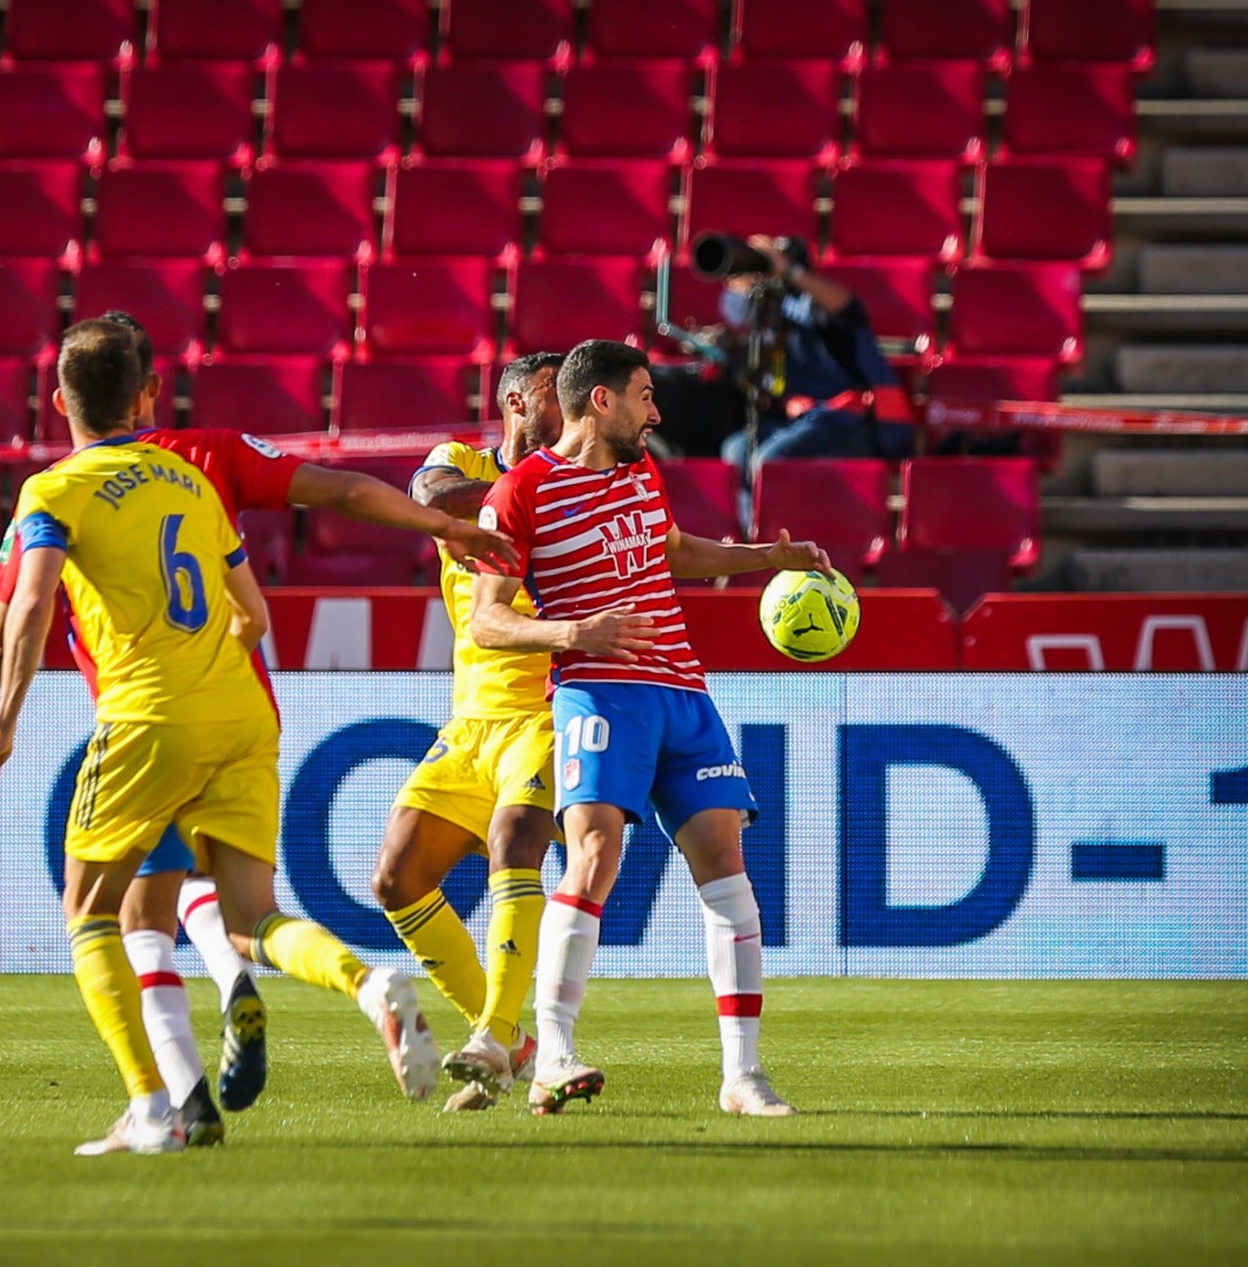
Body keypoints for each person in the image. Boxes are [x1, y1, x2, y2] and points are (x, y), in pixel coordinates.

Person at [0, 318, 520, 1152]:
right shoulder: (196, 473)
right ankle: (362, 988)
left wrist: (4, 721)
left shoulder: (52, 491)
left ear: (57, 402)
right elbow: (265, 595)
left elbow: (22, 611)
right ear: (150, 394)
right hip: (242, 715)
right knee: (246, 916)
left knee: (96, 913)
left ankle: (154, 1106)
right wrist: (442, 527)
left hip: (144, 719)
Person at [470, 338, 830, 1117]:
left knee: (727, 867)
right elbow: (487, 624)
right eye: (642, 394)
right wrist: (575, 635)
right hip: (600, 695)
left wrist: (768, 554)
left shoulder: (641, 472)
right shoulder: (519, 494)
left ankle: (742, 1077)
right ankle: (553, 1051)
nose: (656, 410)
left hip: (683, 695)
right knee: (595, 855)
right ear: (599, 400)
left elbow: (672, 552)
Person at [372, 352, 565, 1112]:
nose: (574, 409)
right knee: (396, 878)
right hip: (471, 720)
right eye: (557, 394)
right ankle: (516, 1042)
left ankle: (496, 1031)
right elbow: (434, 495)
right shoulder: (461, 461)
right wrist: (522, 501)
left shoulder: (586, 480)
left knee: (515, 843)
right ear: (516, 400)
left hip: (550, 707)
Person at [711, 235, 915, 525]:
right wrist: (744, 277)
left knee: (769, 460)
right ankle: (753, 538)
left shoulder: (818, 304)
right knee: (736, 449)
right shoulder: (769, 307)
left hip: (846, 420)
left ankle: (778, 535)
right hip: (797, 418)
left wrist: (788, 270)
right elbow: (737, 318)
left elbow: (848, 307)